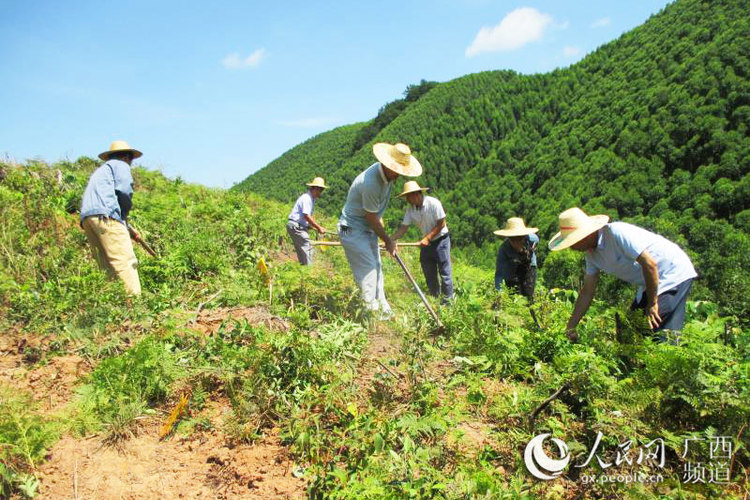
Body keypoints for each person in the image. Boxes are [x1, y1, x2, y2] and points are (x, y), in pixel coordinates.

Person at [549, 207, 697, 342]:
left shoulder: (616, 233)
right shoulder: (591, 256)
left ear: (584, 236)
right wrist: (571, 326)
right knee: (628, 332)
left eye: (572, 243)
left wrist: (652, 303)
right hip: (649, 282)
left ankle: (668, 367)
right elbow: (587, 291)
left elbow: (650, 264)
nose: (572, 248)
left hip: (672, 272)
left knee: (655, 329)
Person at [338, 142, 422, 317]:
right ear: (387, 163)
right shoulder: (371, 182)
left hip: (367, 228)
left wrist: (385, 237)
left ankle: (383, 307)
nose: (399, 175)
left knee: (377, 266)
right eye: (397, 170)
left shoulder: (388, 178)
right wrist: (388, 240)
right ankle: (370, 314)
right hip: (349, 228)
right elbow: (371, 217)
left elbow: (377, 213)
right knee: (368, 268)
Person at [80, 140, 142, 295]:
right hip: (107, 217)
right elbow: (124, 191)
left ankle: (115, 303)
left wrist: (126, 226)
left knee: (106, 265)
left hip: (88, 219)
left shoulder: (101, 171)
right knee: (125, 261)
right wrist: (124, 216)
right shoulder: (120, 165)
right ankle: (135, 306)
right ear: (127, 157)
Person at [391, 181, 454, 303]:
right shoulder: (410, 210)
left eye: (408, 197)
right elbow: (403, 228)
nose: (407, 200)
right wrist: (390, 240)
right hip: (427, 243)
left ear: (416, 194)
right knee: (428, 271)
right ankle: (435, 298)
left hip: (441, 240)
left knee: (445, 273)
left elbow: (442, 223)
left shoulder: (433, 203)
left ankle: (448, 303)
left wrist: (428, 238)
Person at [494, 217, 539, 300]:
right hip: (511, 268)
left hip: (529, 264)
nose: (516, 242)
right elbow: (499, 274)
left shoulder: (532, 239)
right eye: (513, 239)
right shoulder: (504, 249)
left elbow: (536, 241)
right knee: (514, 294)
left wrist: (531, 251)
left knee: (528, 293)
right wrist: (499, 293)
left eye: (519, 238)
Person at [286, 177, 328, 265]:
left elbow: (303, 217)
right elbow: (306, 216)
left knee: (302, 250)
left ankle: (303, 269)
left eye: (322, 190)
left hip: (296, 226)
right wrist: (318, 227)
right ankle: (309, 272)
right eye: (320, 190)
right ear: (314, 188)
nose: (320, 192)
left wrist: (309, 226)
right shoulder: (307, 198)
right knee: (308, 247)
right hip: (296, 227)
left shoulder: (311, 199)